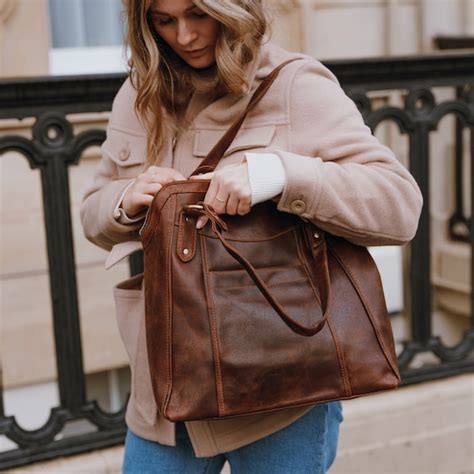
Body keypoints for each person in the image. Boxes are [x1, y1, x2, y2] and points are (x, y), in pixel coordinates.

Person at [80, 0, 423, 472]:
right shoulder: (140, 94)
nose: (183, 36)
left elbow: (398, 204)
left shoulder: (293, 84)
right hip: (164, 389)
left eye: (198, 14)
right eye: (165, 20)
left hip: (278, 390)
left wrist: (280, 174)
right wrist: (126, 199)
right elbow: (92, 211)